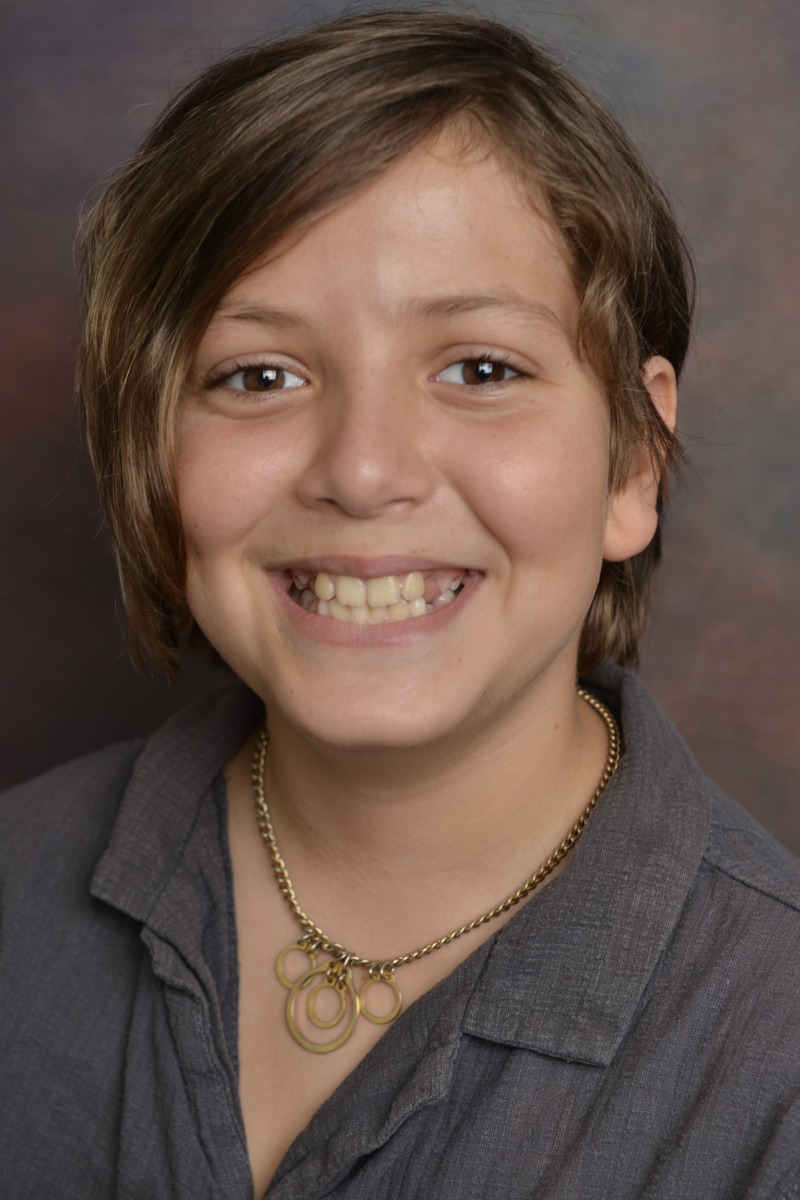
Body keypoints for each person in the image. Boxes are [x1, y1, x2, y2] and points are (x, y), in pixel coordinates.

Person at [1, 9, 799, 1199]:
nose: (364, 470)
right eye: (258, 375)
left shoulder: (774, 1054)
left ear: (632, 462)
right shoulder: (15, 894)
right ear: (152, 459)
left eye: (479, 369)